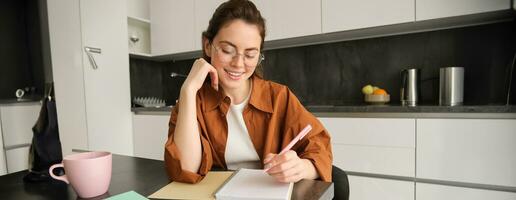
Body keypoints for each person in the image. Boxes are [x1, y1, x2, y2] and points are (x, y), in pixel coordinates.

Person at [164, 0, 332, 184]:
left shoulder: (279, 97)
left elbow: (319, 147)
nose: (238, 63)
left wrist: (302, 167)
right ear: (207, 45)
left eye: (250, 55)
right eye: (228, 50)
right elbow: (185, 170)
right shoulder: (193, 103)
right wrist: (188, 91)